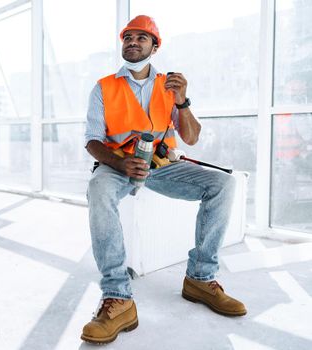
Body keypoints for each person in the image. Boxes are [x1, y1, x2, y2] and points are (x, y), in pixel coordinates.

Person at [81, 15, 247, 345]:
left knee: (223, 185)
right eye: (128, 37)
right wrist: (120, 162)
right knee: (98, 188)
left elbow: (191, 137)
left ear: (154, 47)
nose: (132, 42)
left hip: (161, 165)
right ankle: (118, 297)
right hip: (118, 166)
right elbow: (92, 140)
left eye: (142, 38)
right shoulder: (104, 87)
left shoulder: (169, 86)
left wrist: (183, 101)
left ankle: (200, 278)